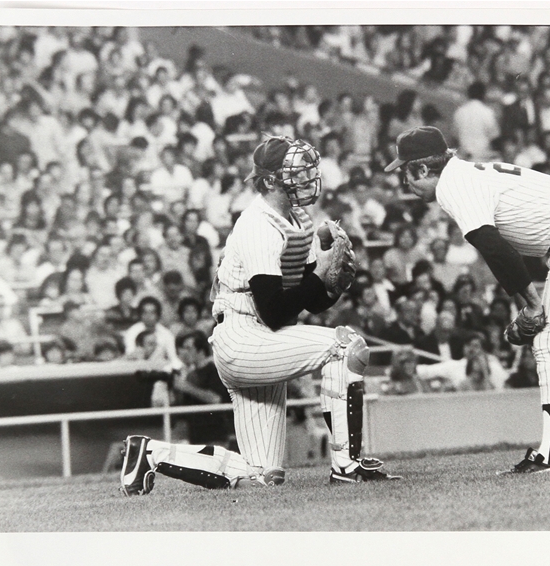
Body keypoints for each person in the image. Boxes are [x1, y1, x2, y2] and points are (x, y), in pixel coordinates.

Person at [120, 135, 399, 496]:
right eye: (297, 172)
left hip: (259, 336)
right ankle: (348, 466)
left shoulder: (295, 217)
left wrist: (331, 286)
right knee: (347, 346)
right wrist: (321, 272)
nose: (307, 178)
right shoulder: (258, 225)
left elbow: (307, 304)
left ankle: (149, 453)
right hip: (243, 335)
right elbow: (274, 310)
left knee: (261, 476)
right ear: (270, 180)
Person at [385, 126, 550, 473]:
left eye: (405, 171)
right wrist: (530, 301)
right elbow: (499, 247)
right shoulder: (463, 174)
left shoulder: (453, 186)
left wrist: (531, 304)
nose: (404, 181)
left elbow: (493, 247)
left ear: (422, 168)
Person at [171, 330, 235, 447]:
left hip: (214, 436)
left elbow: (215, 399)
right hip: (195, 437)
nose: (184, 352)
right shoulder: (189, 373)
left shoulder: (214, 370)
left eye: (188, 348)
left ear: (200, 350)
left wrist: (185, 387)